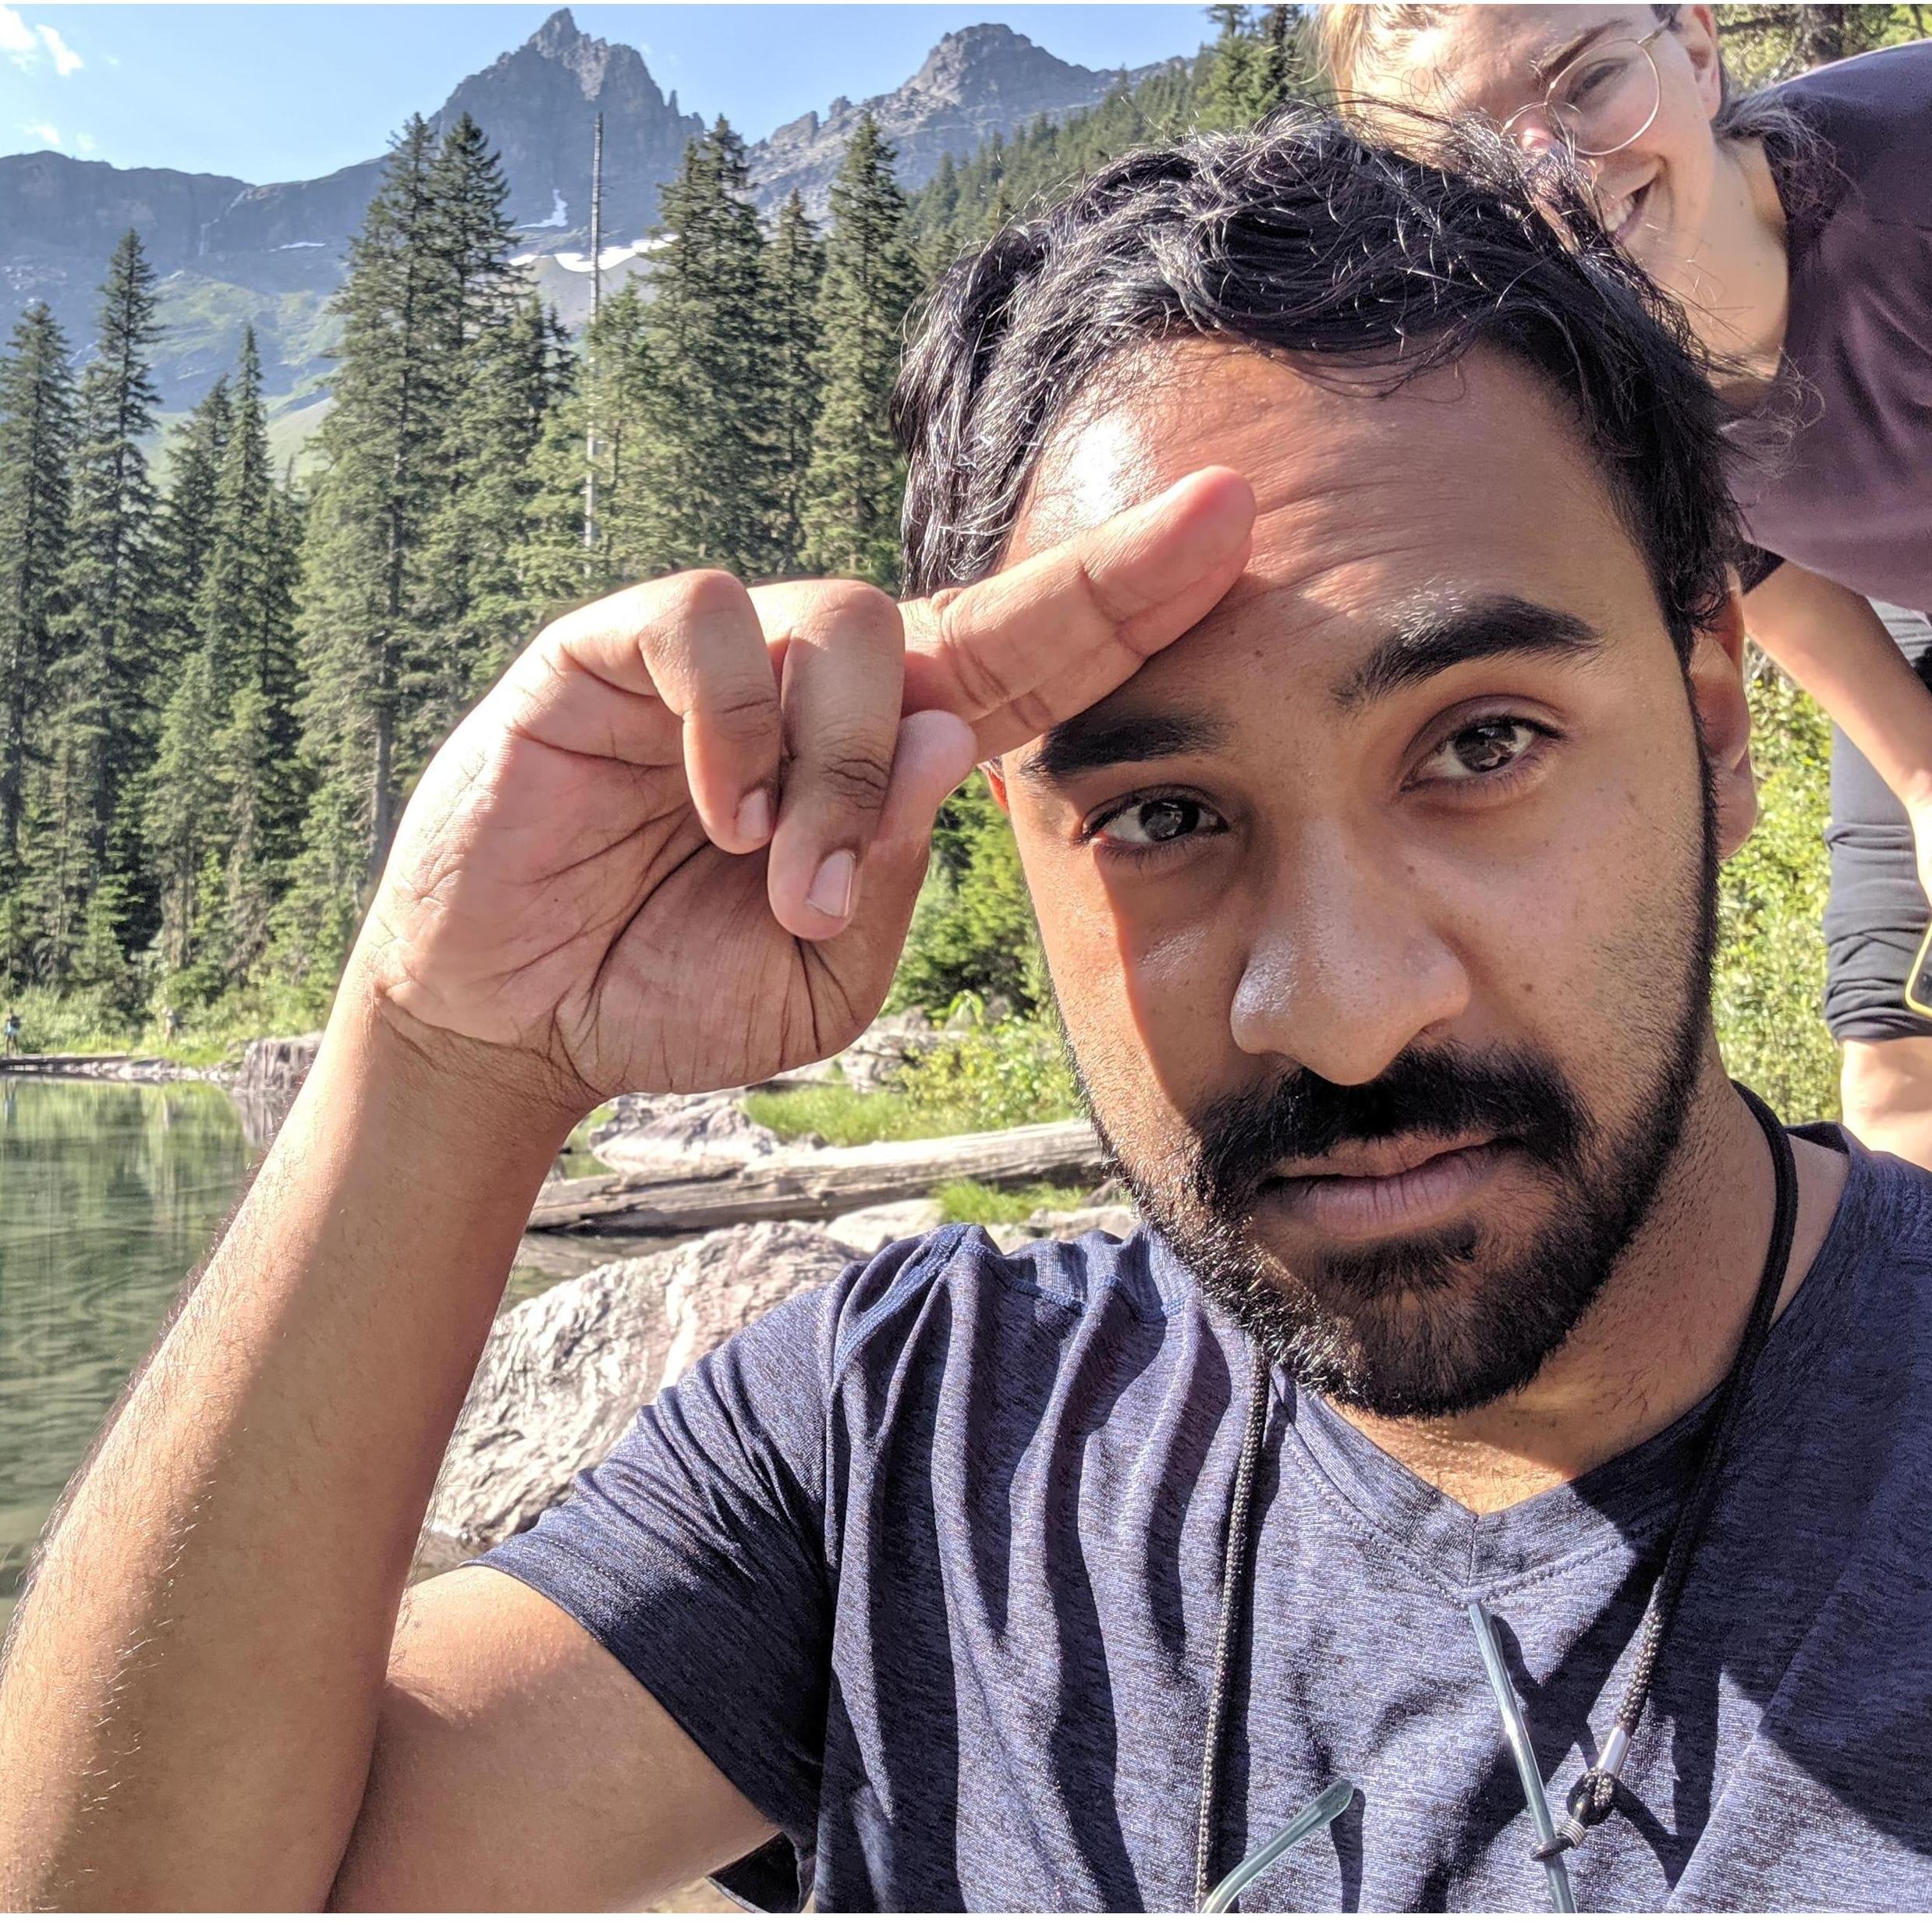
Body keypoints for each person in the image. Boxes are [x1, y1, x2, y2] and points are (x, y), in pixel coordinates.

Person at [3, 113, 1930, 1913]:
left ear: (1708, 716)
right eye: (1165, 816)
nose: (1337, 1012)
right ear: (1007, 832)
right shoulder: (903, 1442)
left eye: (1481, 745)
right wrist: (445, 1060)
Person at [1310, 5, 1932, 1168]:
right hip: (1905, 609)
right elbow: (1759, 559)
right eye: (1476, 154)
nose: (1554, 175)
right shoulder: (1574, 367)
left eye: (1586, 81)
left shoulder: (1909, 184)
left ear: (1692, 51)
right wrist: (1920, 776)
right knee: (1898, 1090)